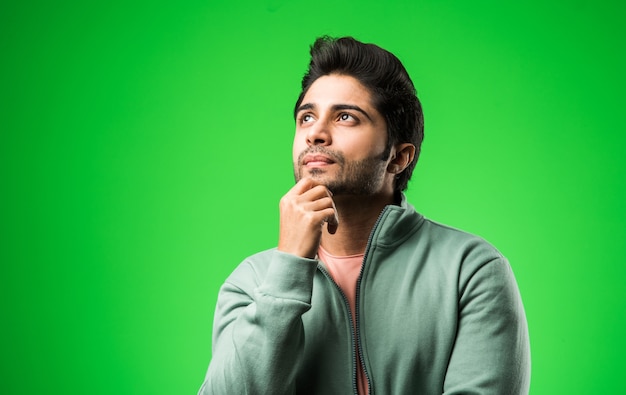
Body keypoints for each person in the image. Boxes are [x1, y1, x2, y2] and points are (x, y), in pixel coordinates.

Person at [198, 36, 530, 395]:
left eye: (345, 117)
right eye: (306, 117)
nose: (316, 134)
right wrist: (288, 269)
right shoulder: (253, 282)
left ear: (399, 157)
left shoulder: (471, 270)